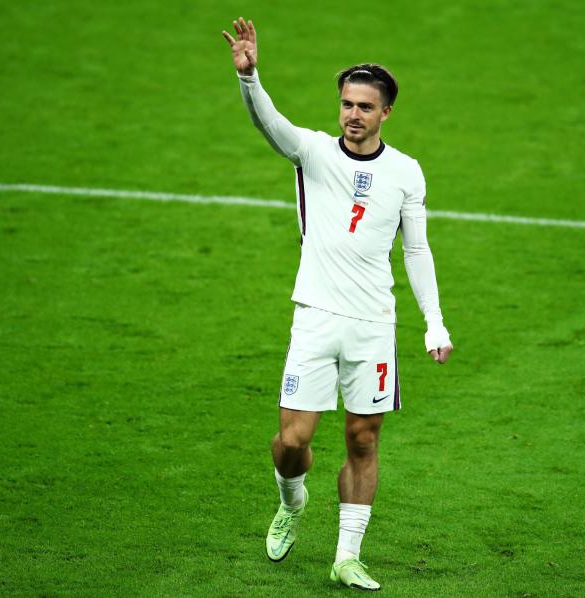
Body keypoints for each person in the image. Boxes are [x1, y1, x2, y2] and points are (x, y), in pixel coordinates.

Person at [222, 17, 453, 592]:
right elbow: (271, 125)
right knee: (293, 441)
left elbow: (417, 249)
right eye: (347, 104)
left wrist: (434, 324)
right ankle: (292, 499)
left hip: (374, 325)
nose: (352, 114)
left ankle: (347, 555)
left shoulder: (406, 173)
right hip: (316, 318)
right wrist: (250, 78)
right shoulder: (314, 153)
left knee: (362, 438)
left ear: (385, 114)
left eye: (365, 107)